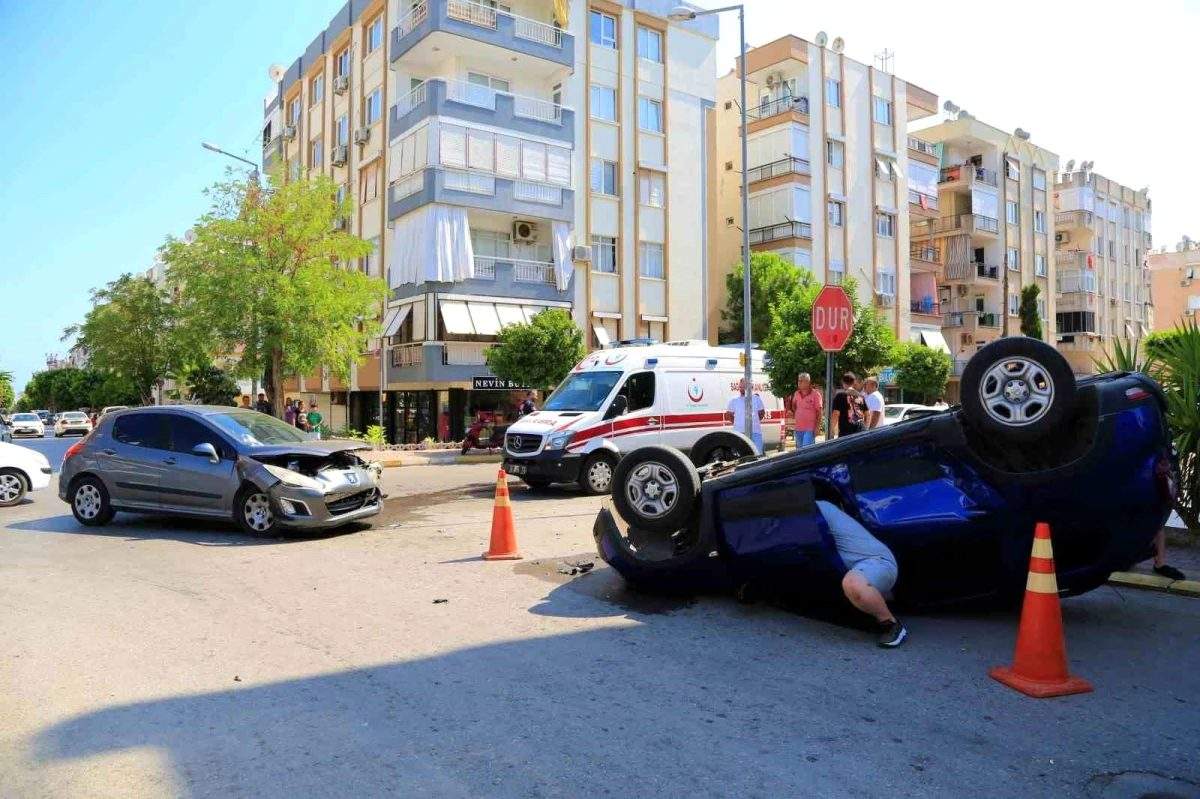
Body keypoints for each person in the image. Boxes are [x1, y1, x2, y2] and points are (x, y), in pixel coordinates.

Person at [816, 499, 907, 647]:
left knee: (853, 584)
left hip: (878, 562)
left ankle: (890, 624)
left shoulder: (816, 509)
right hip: (855, 567)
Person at [726, 378, 766, 454]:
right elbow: (728, 415)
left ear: (750, 386)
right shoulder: (734, 400)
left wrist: (754, 422)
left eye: (745, 386)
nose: (743, 388)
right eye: (741, 386)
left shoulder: (756, 399)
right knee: (741, 456)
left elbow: (761, 413)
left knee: (758, 455)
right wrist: (738, 423)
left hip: (755, 432)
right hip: (739, 433)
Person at [789, 372, 822, 448]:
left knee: (807, 450)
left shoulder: (816, 394)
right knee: (799, 451)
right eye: (798, 380)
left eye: (801, 381)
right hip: (798, 428)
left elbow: (819, 412)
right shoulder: (796, 393)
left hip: (810, 428)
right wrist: (795, 413)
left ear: (807, 382)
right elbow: (793, 405)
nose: (799, 382)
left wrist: (817, 427)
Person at [830, 372, 865, 438]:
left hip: (846, 433)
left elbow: (836, 414)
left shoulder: (839, 396)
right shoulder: (861, 396)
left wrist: (832, 430)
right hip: (861, 431)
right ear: (853, 382)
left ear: (843, 382)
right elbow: (867, 414)